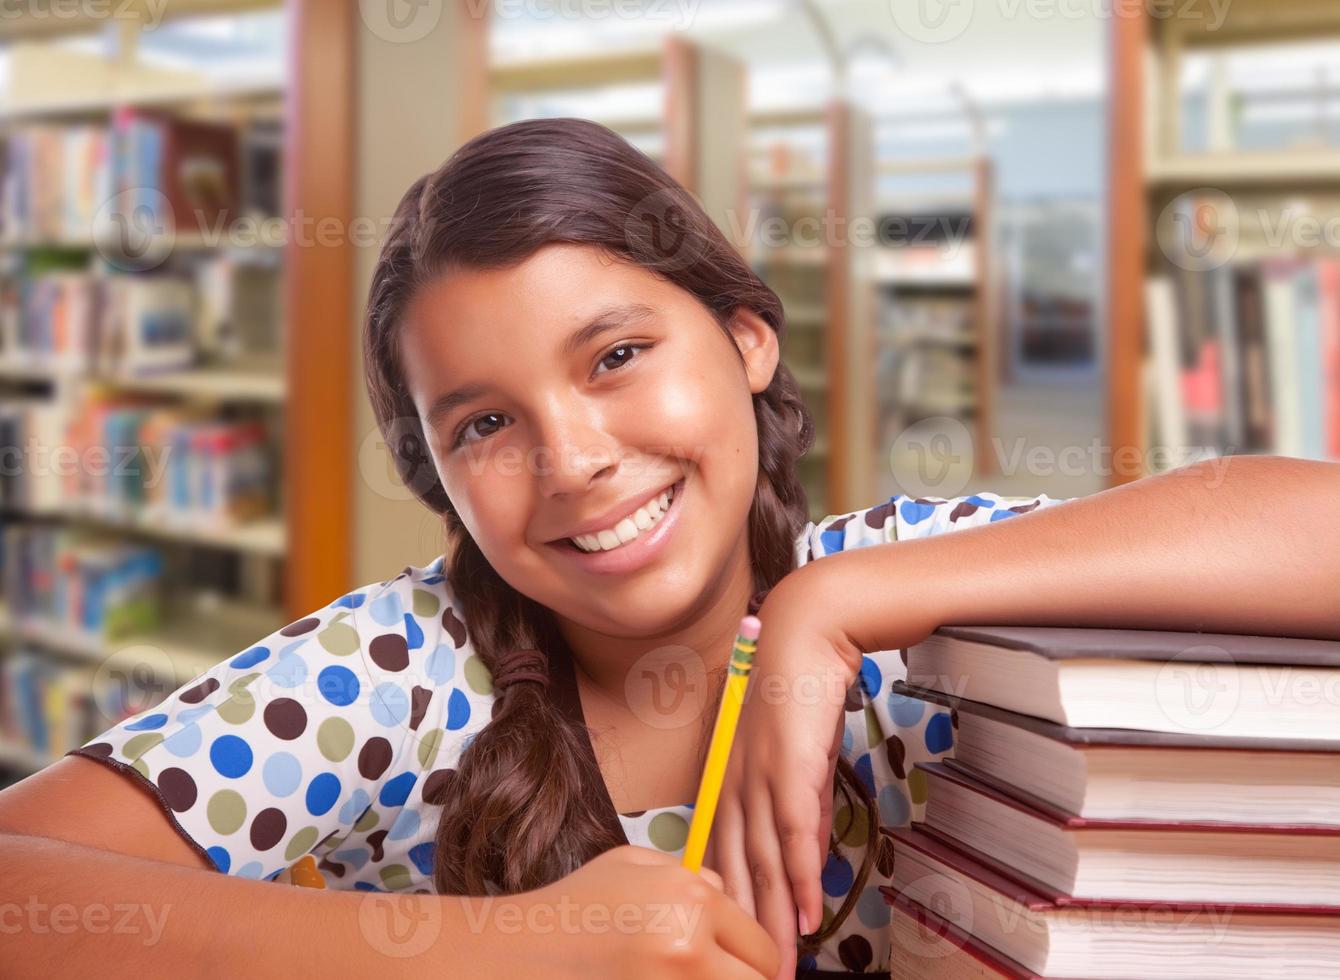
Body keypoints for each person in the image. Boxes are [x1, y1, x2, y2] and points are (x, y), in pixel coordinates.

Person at [1, 117, 1336, 980]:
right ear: (439, 482)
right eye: (484, 425)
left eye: (619, 356)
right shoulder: (397, 674)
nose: (574, 457)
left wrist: (829, 605)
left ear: (748, 340)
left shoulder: (907, 605)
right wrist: (505, 954)